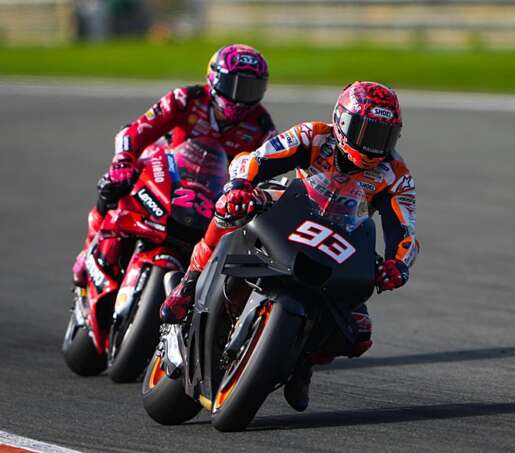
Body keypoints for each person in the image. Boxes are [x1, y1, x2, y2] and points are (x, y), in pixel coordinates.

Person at [161, 81, 419, 412]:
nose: (373, 144)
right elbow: (256, 159)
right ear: (342, 121)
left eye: (384, 135)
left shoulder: (396, 174)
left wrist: (398, 264)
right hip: (289, 207)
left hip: (342, 235)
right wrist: (240, 185)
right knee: (231, 209)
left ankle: (304, 361)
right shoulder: (314, 135)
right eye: (365, 131)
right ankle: (189, 282)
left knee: (358, 332)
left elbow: (405, 229)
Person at [72, 44, 276, 287]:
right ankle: (88, 249)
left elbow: (269, 169)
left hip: (213, 194)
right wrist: (122, 161)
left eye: (250, 89)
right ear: (214, 79)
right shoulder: (186, 98)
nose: (240, 97)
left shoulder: (261, 126)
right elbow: (136, 130)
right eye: (234, 86)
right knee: (114, 184)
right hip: (166, 174)